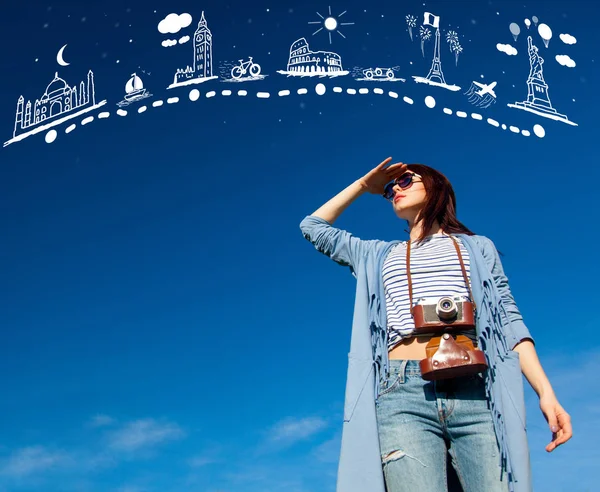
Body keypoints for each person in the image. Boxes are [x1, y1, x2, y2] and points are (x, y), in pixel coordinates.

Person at [299, 158, 572, 492]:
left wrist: (546, 393)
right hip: (402, 391)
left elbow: (509, 322)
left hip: (475, 387)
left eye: (404, 182)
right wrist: (362, 186)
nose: (393, 191)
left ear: (435, 186)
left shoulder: (476, 247)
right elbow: (313, 226)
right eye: (388, 189)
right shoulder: (377, 254)